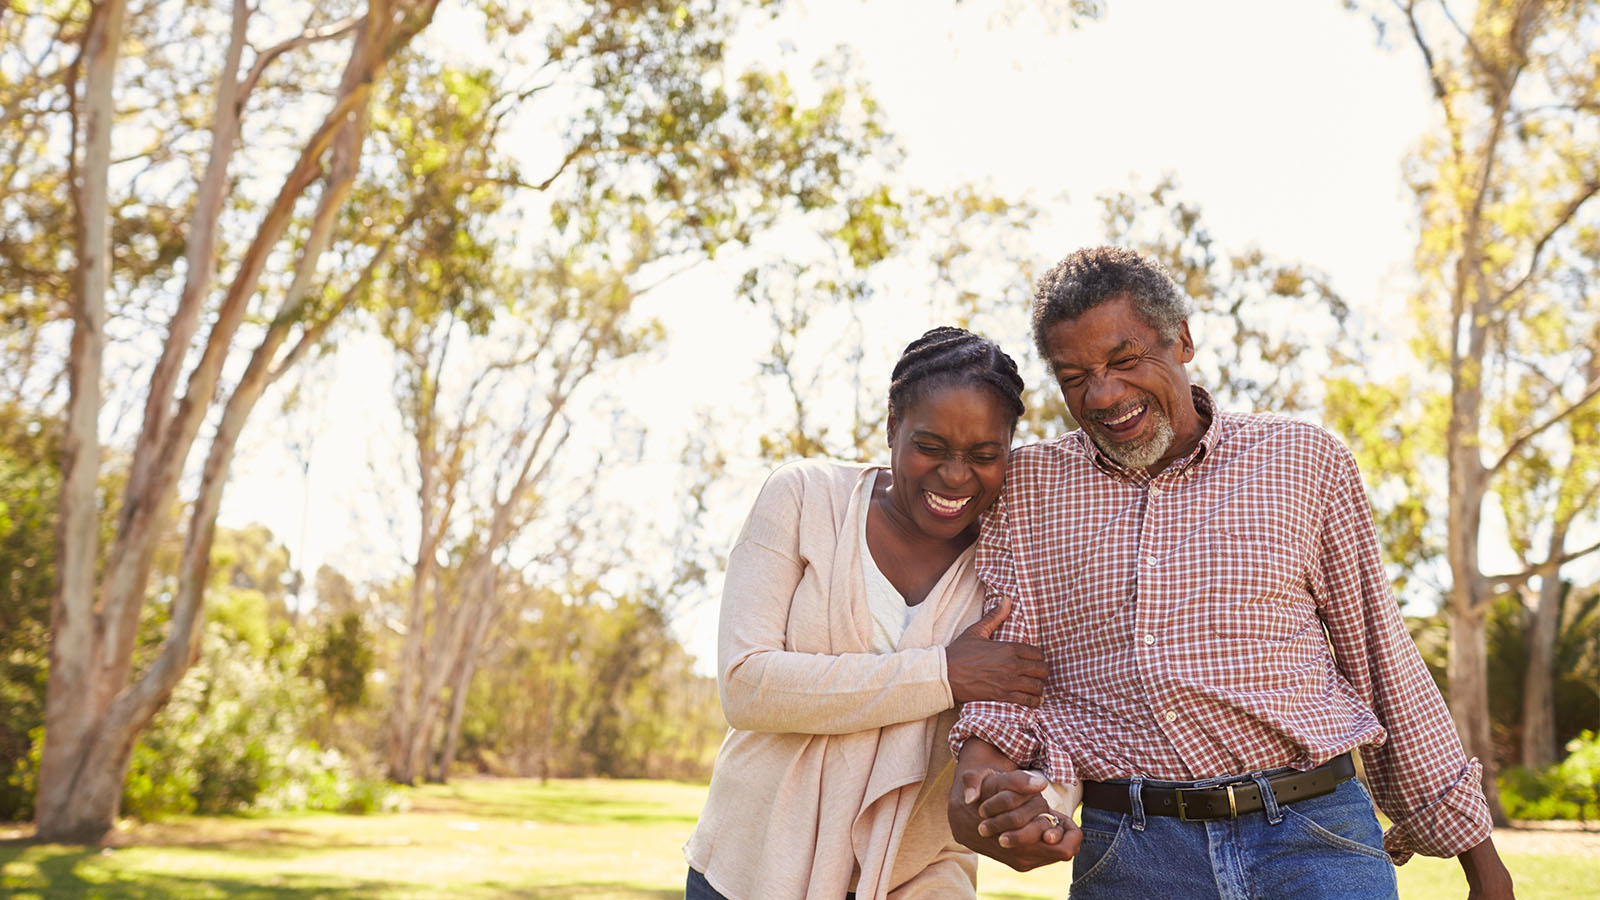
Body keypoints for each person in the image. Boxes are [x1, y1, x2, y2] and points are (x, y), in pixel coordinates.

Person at [944, 246, 1516, 899]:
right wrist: (988, 792)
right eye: (1075, 376)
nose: (1103, 394)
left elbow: (1382, 657)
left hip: (1316, 839)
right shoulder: (1029, 491)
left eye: (1126, 361)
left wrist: (1483, 865)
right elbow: (1008, 679)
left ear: (1183, 340)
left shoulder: (1303, 460)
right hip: (1132, 856)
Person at [684, 326, 1050, 900]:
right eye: (930, 447)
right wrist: (942, 674)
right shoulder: (805, 497)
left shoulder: (1012, 561)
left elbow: (1034, 710)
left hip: (917, 875)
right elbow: (747, 686)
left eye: (984, 456)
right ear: (891, 427)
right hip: (749, 868)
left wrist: (1037, 806)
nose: (956, 475)